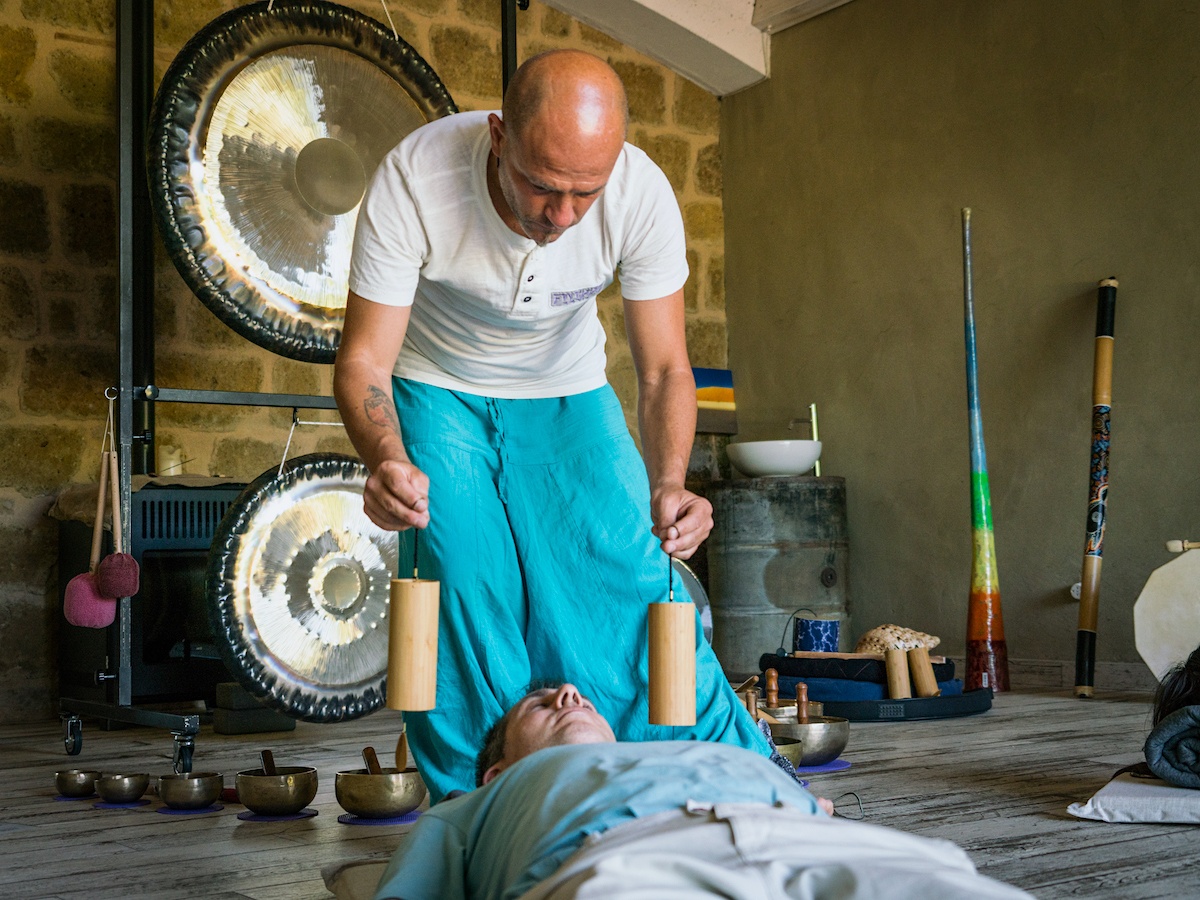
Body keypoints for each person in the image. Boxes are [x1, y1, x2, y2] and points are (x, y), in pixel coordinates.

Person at [334, 49, 769, 802]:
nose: (562, 216)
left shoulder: (641, 194)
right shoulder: (417, 178)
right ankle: (481, 814)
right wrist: (385, 459)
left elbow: (665, 369)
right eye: (542, 187)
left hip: (568, 389)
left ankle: (741, 786)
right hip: (439, 391)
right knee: (467, 586)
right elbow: (365, 361)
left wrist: (670, 483)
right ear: (499, 138)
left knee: (633, 573)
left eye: (584, 194)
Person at [369, 683, 1033, 900]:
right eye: (541, 707)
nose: (569, 694)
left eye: (577, 697)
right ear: (499, 772)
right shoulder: (475, 805)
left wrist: (810, 808)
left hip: (816, 840)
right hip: (628, 864)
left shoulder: (699, 746)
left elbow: (816, 804)